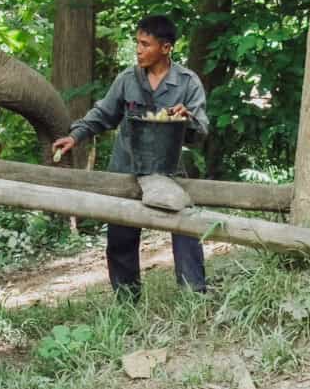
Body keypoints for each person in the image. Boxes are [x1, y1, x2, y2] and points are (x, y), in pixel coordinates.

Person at [52, 15, 209, 300]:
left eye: (145, 44)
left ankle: (194, 294)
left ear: (165, 48)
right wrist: (75, 136)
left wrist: (188, 120)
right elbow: (103, 115)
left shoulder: (187, 82)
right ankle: (126, 299)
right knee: (121, 236)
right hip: (126, 168)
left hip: (168, 171)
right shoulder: (127, 79)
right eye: (137, 43)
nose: (138, 49)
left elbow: (201, 132)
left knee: (186, 228)